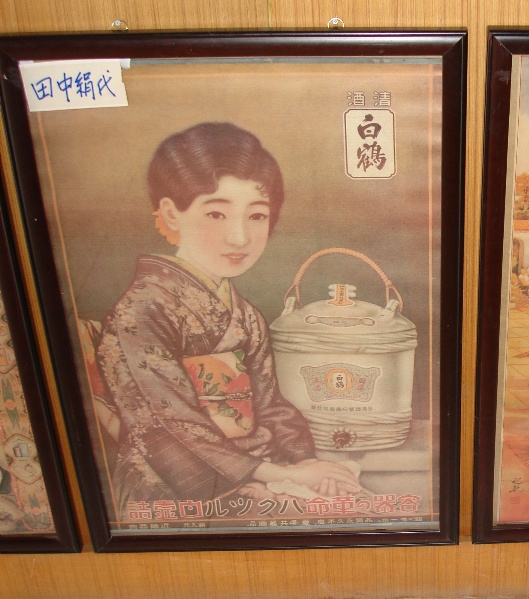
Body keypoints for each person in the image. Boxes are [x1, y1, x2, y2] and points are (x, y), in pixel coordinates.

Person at [95, 122, 361, 514]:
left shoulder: (245, 314)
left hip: (260, 468)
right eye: (217, 214)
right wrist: (272, 474)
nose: (239, 237)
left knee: (350, 506)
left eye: (257, 216)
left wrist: (305, 463)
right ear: (171, 213)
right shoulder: (142, 310)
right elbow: (167, 427)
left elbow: (271, 405)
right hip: (176, 484)